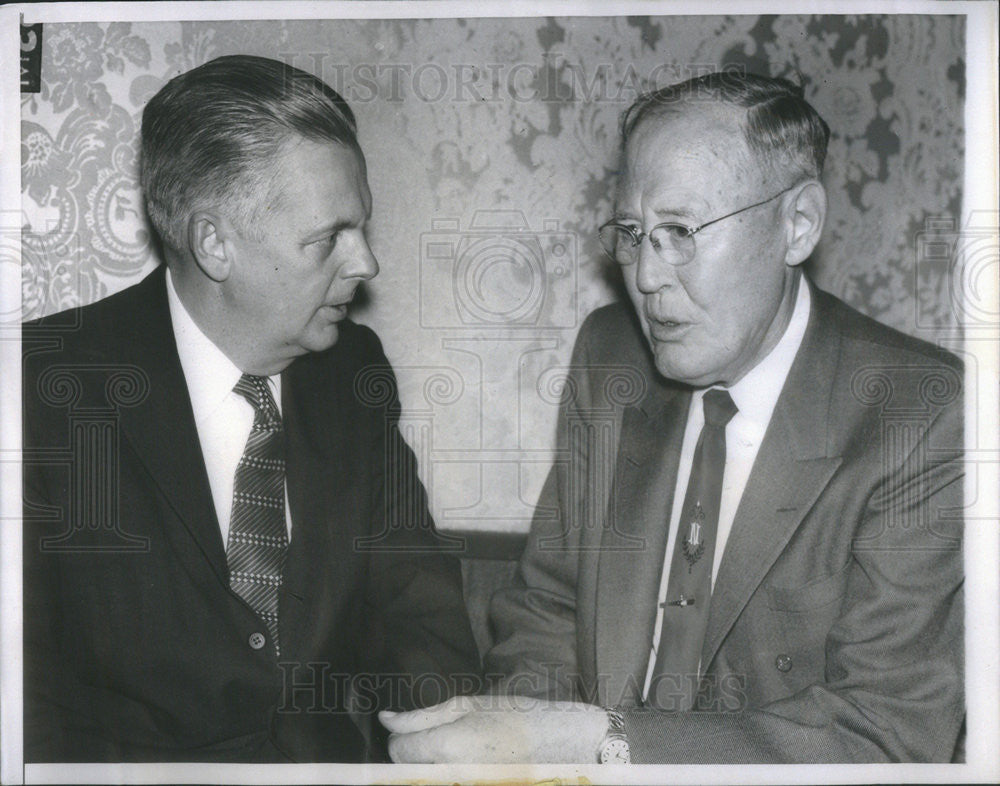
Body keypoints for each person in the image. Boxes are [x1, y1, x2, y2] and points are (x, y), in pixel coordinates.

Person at [382, 71, 964, 764]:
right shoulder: (612, 357)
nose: (648, 276)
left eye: (681, 231)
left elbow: (883, 734)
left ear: (798, 224)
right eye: (633, 232)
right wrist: (523, 744)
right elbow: (548, 611)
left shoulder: (922, 411)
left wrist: (604, 744)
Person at [22, 54, 480, 763]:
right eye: (328, 238)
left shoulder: (353, 373)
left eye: (361, 229)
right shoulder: (37, 386)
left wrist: (448, 750)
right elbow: (23, 698)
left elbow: (415, 617)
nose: (365, 265)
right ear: (214, 242)